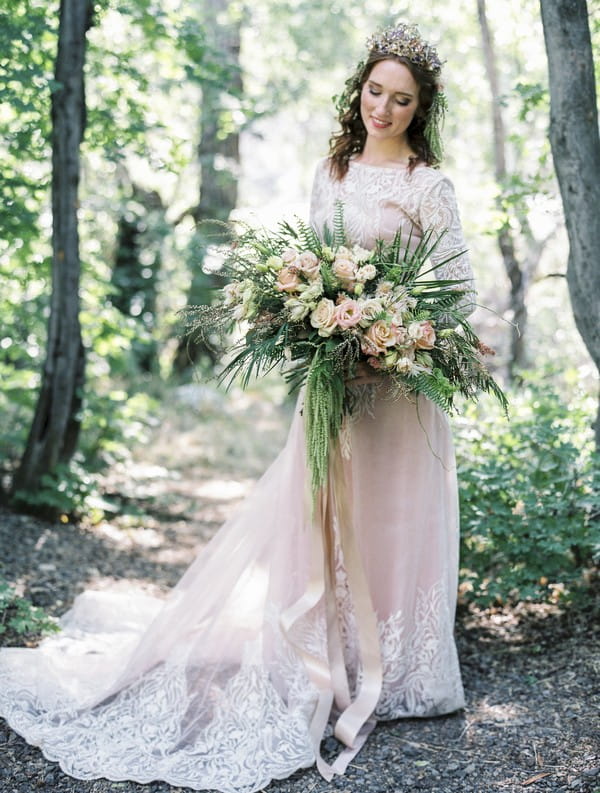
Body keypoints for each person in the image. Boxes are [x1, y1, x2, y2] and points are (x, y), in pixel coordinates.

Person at [0, 21, 475, 793]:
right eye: (374, 92)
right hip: (335, 386)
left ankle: (403, 671)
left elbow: (459, 291)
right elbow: (319, 264)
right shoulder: (335, 170)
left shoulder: (430, 186)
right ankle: (329, 655)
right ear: (359, 89)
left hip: (400, 393)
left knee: (397, 518)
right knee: (328, 511)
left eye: (401, 99)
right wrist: (316, 318)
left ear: (422, 108)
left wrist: (395, 336)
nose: (383, 108)